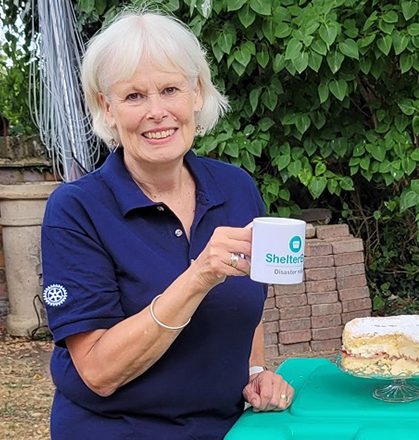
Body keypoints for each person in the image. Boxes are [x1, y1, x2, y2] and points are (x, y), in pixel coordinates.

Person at [40, 9, 293, 439]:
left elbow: (251, 303)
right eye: (134, 96)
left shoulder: (235, 187)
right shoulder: (76, 210)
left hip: (226, 428)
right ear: (107, 107)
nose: (157, 112)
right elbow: (99, 372)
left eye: (170, 89)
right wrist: (198, 277)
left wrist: (254, 370)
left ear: (197, 94)